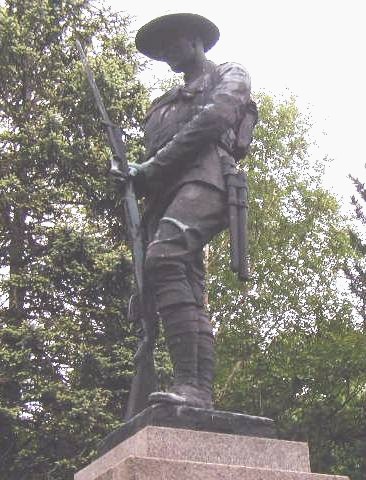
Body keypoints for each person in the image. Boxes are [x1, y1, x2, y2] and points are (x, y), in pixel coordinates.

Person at [125, 13, 253, 409]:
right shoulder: (160, 107)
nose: (166, 54)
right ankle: (196, 390)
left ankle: (192, 385)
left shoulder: (229, 74)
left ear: (196, 40)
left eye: (171, 43)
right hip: (169, 195)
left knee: (163, 259)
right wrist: (131, 175)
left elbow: (213, 120)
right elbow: (150, 162)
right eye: (160, 49)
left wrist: (152, 168)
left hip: (210, 179)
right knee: (185, 285)